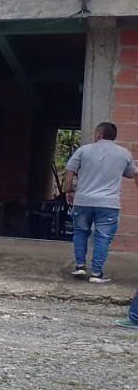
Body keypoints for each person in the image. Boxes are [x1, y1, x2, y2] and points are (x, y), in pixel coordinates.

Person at [65, 121, 137, 283]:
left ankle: (80, 267)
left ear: (99, 134)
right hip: (108, 204)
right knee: (103, 237)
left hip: (83, 201)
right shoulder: (124, 153)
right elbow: (133, 174)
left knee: (80, 232)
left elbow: (70, 171)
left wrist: (69, 191)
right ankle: (96, 274)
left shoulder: (83, 151)